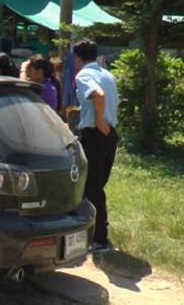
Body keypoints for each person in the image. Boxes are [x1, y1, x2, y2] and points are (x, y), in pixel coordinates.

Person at [74, 39, 119, 254]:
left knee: (90, 185)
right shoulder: (107, 74)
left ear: (78, 58)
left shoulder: (83, 75)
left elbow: (98, 96)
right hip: (111, 134)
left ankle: (98, 238)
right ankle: (96, 234)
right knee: (97, 185)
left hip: (96, 133)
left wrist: (98, 120)